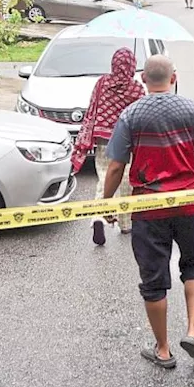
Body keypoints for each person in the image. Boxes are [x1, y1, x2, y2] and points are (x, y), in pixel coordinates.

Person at [102, 55, 194, 369]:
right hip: (189, 206)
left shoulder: (130, 115)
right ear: (173, 78)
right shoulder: (191, 110)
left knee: (154, 280)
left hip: (148, 210)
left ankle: (163, 350)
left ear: (144, 80)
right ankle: (193, 330)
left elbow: (116, 165)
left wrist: (107, 202)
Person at [74, 48, 145, 244]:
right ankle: (125, 224)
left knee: (105, 176)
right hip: (127, 141)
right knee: (124, 180)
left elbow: (93, 108)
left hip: (104, 138)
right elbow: (140, 116)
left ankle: (98, 216)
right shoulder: (136, 88)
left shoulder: (102, 82)